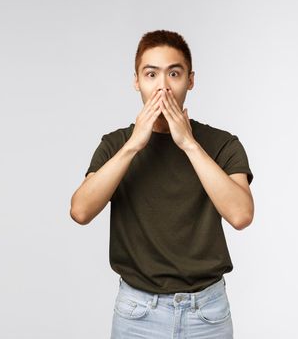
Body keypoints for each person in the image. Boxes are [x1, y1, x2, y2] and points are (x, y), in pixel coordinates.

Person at [70, 29, 254, 339]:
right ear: (136, 81)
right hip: (138, 313)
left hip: (207, 313)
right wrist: (133, 145)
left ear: (190, 80)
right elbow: (80, 211)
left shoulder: (222, 144)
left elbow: (241, 215)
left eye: (174, 73)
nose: (163, 86)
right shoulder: (115, 144)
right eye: (151, 74)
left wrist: (189, 145)